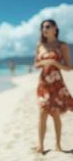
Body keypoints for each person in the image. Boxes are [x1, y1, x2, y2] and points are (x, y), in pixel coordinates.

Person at [34, 19, 73, 153]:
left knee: (55, 113)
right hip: (43, 83)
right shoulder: (40, 45)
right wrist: (44, 63)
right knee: (42, 112)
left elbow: (69, 68)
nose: (44, 29)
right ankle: (41, 146)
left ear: (55, 28)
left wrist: (54, 62)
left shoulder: (62, 45)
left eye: (47, 26)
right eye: (42, 27)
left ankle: (58, 145)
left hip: (56, 83)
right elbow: (36, 65)